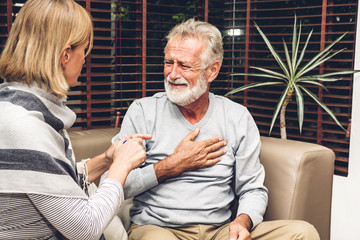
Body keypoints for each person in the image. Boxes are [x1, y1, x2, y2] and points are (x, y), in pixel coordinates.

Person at [110, 18, 320, 240]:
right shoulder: (143, 111)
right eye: (168, 62)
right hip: (159, 229)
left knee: (303, 233)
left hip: (219, 231)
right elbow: (113, 184)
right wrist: (171, 165)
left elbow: (252, 189)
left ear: (212, 71)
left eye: (184, 65)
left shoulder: (237, 117)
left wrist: (242, 221)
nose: (172, 73)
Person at [0, 0, 151, 239]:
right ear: (66, 55)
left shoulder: (22, 105)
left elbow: (51, 182)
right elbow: (84, 228)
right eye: (85, 50)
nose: (85, 59)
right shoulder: (24, 125)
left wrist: (106, 159)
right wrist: (121, 166)